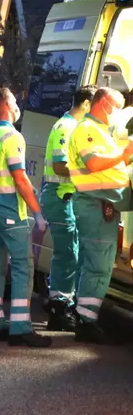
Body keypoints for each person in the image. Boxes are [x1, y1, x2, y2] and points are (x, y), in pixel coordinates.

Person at [0, 87, 51, 348]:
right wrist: (37, 213)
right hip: (10, 210)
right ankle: (20, 328)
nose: (17, 104)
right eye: (15, 101)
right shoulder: (11, 136)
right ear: (6, 105)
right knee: (23, 267)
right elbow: (20, 178)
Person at [67, 87, 133, 344]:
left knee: (96, 265)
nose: (119, 114)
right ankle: (86, 323)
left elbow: (111, 166)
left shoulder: (101, 132)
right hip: (95, 207)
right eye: (117, 107)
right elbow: (94, 164)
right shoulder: (87, 130)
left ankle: (86, 318)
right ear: (105, 104)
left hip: (102, 206)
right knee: (98, 267)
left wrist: (123, 159)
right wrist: (124, 154)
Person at [39, 85, 97, 332]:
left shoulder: (75, 127)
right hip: (59, 197)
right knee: (67, 254)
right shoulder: (66, 127)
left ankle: (60, 302)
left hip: (66, 197)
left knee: (69, 253)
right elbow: (60, 166)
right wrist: (93, 171)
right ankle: (59, 308)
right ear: (85, 104)